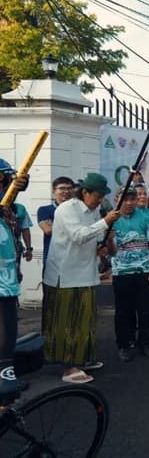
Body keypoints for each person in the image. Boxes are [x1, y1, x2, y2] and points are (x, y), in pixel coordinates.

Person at [43, 172, 120, 384]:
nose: (100, 200)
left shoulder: (93, 212)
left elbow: (93, 236)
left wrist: (103, 243)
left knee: (85, 321)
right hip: (66, 275)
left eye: (102, 196)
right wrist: (105, 222)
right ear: (85, 192)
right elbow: (78, 235)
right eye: (97, 196)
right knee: (69, 322)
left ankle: (81, 359)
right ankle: (68, 367)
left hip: (86, 273)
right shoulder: (67, 209)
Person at [107, 186, 149, 361]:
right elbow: (112, 252)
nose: (129, 203)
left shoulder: (145, 218)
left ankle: (145, 342)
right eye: (125, 199)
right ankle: (125, 344)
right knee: (123, 312)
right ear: (117, 200)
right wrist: (109, 239)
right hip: (121, 273)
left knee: (145, 310)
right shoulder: (111, 219)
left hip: (144, 271)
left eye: (132, 199)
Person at [0, 165, 29, 401]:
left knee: (9, 333)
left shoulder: (8, 212)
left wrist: (17, 187)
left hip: (7, 283)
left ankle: (6, 375)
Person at [37, 176, 75, 265]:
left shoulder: (79, 211)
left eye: (69, 188)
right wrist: (74, 228)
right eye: (62, 188)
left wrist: (55, 225)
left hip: (73, 260)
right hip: (53, 260)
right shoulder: (45, 210)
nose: (66, 191)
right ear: (54, 191)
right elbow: (48, 230)